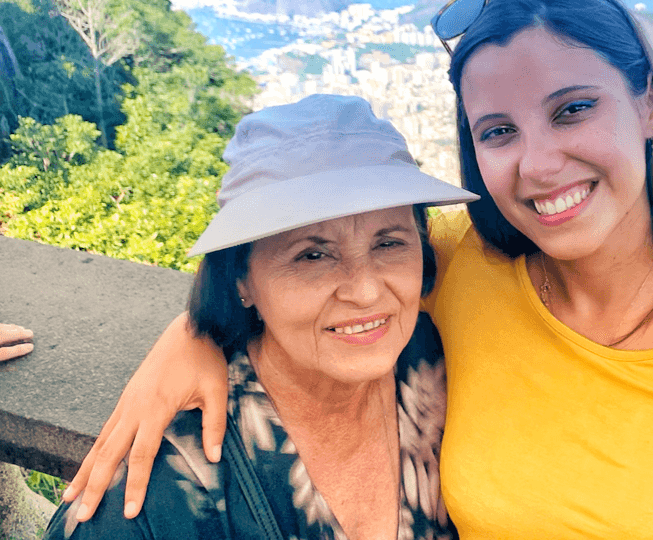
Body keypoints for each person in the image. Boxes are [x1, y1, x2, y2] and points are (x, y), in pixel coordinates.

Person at [62, 0, 653, 539]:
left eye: (573, 110)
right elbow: (305, 263)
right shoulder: (462, 261)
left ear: (649, 103)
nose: (540, 165)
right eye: (499, 131)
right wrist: (196, 333)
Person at [44, 94, 477, 540]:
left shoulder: (441, 355)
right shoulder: (163, 487)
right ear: (242, 280)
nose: (365, 291)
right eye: (313, 255)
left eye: (388, 244)